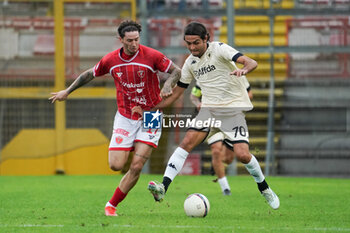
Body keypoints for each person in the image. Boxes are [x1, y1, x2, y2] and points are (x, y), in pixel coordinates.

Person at [138, 21, 279, 209]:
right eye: (188, 43)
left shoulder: (220, 49)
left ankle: (264, 188)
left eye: (196, 42)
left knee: (242, 155)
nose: (192, 47)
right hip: (209, 110)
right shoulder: (190, 62)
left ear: (206, 38)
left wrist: (244, 69)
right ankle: (163, 187)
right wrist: (152, 109)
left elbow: (251, 62)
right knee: (187, 142)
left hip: (232, 110)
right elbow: (178, 93)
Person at [49, 20, 181, 216]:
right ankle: (128, 155)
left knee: (136, 166)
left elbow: (176, 71)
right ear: (120, 39)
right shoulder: (110, 60)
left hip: (151, 114)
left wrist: (169, 84)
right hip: (125, 116)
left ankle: (111, 205)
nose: (134, 44)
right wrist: (67, 91)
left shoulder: (152, 55)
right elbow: (89, 74)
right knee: (116, 165)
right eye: (129, 40)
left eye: (136, 39)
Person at [190, 79, 253, 196]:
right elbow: (194, 95)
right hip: (212, 118)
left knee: (228, 158)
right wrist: (198, 104)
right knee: (216, 149)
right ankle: (226, 189)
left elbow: (249, 94)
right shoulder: (204, 75)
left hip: (231, 119)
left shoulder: (236, 74)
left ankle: (217, 165)